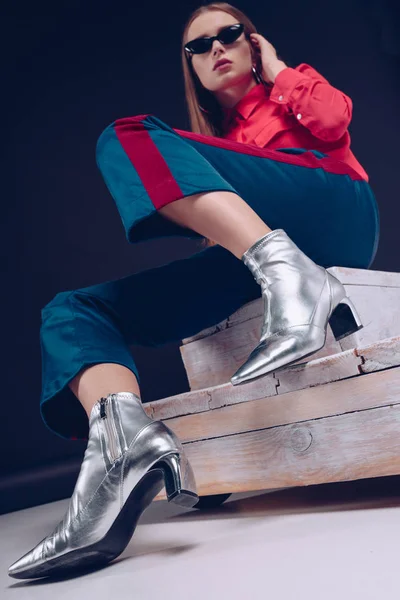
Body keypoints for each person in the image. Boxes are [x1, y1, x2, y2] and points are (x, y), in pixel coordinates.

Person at [8, 1, 380, 579]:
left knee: (128, 135)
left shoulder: (287, 87)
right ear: (192, 68)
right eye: (200, 46)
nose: (217, 49)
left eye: (231, 35)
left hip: (335, 210)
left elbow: (333, 121)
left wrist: (277, 69)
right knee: (74, 310)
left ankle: (292, 276)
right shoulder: (211, 150)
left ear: (252, 43)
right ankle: (121, 446)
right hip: (257, 248)